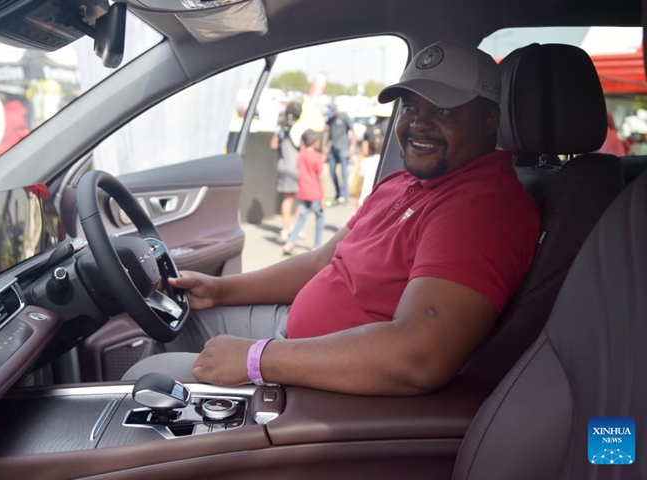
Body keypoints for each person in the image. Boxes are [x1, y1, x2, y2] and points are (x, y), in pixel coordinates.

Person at [129, 40, 540, 396]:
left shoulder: (482, 210)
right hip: (297, 339)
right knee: (183, 320)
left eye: (443, 112)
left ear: (489, 120)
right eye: (410, 107)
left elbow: (419, 356)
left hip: (325, 382)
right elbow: (320, 262)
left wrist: (257, 360)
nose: (418, 124)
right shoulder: (404, 182)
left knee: (142, 381)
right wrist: (220, 289)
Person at [283, 130, 326, 255]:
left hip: (302, 192)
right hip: (315, 193)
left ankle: (290, 243)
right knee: (320, 217)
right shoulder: (318, 157)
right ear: (313, 142)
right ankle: (317, 245)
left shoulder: (301, 154)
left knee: (302, 218)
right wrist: (323, 197)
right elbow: (320, 178)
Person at [270, 102, 303, 241]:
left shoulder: (280, 128)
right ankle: (296, 228)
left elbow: (273, 145)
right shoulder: (299, 128)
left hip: (283, 164)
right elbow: (302, 147)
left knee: (286, 199)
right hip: (296, 165)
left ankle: (285, 228)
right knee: (299, 199)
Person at [352, 102, 392, 206]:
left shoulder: (369, 129)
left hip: (369, 160)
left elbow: (364, 150)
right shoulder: (391, 128)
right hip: (385, 161)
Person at [324, 103, 357, 204]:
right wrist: (326, 146)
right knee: (332, 171)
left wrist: (352, 148)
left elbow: (353, 132)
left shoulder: (344, 117)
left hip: (343, 148)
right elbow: (329, 133)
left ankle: (345, 195)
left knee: (344, 172)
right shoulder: (331, 119)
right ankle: (338, 193)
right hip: (333, 148)